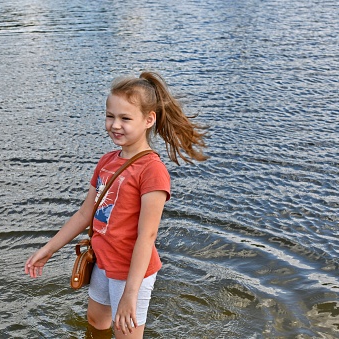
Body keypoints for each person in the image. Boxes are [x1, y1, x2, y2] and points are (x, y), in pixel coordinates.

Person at [24, 71, 208, 338]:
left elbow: (147, 236)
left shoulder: (152, 170)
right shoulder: (107, 162)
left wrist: (129, 295)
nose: (115, 125)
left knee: (126, 333)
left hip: (132, 273)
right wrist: (48, 249)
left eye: (125, 118)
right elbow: (85, 213)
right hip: (103, 262)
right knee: (96, 323)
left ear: (148, 120)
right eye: (110, 116)